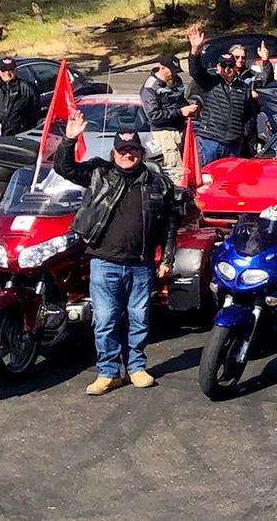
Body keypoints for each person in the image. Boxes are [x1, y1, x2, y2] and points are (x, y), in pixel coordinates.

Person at [53, 122, 176, 394]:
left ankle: (136, 368)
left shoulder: (159, 183)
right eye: (122, 150)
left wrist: (167, 259)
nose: (127, 155)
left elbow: (169, 225)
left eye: (132, 150)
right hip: (104, 261)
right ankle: (108, 372)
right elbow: (64, 168)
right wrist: (69, 140)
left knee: (139, 318)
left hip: (141, 265)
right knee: (106, 319)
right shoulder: (99, 172)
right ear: (114, 153)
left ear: (141, 153)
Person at [185, 27, 260, 166]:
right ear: (218, 67)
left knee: (231, 180)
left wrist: (241, 135)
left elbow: (250, 116)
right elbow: (195, 71)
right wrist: (195, 50)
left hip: (233, 144)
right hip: (211, 141)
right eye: (224, 65)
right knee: (208, 177)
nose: (227, 69)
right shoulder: (210, 82)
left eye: (230, 65)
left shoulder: (243, 88)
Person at [137, 55, 193, 162]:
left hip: (181, 130)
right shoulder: (150, 87)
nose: (174, 74)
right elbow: (154, 116)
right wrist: (180, 112)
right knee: (173, 166)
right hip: (163, 133)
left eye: (176, 71)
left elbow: (180, 101)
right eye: (171, 71)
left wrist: (190, 108)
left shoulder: (176, 80)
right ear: (162, 68)